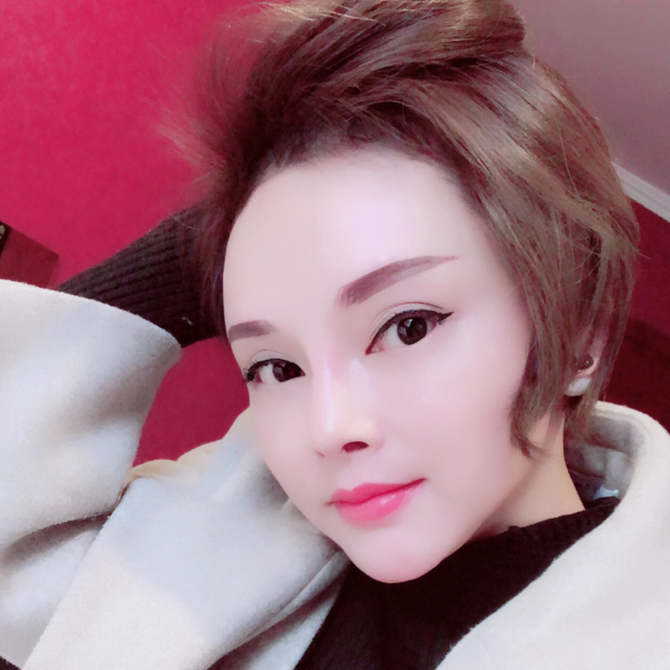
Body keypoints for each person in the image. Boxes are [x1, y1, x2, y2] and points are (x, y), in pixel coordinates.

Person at [1, 0, 669, 668]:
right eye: (276, 367)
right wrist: (242, 223)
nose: (329, 427)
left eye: (407, 327)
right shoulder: (215, 531)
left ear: (581, 338)